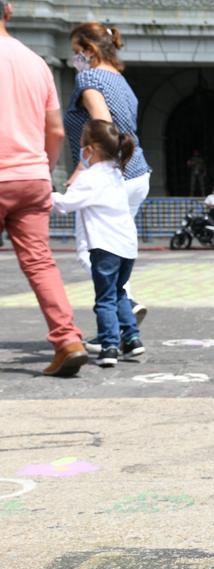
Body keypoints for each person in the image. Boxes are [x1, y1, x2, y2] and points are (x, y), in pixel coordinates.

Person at [0, 1, 87, 376]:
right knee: (40, 263)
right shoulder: (36, 62)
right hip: (32, 176)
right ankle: (68, 340)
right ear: (8, 12)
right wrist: (43, 169)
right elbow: (55, 130)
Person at [65, 21, 150, 353]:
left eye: (76, 52)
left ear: (90, 50)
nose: (75, 59)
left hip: (110, 176)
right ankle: (123, 327)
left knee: (94, 254)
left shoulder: (89, 78)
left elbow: (102, 125)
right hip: (135, 173)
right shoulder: (121, 80)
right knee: (115, 250)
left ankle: (123, 309)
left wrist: (80, 171)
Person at [52, 120, 143, 367]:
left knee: (104, 298)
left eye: (82, 145)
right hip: (127, 246)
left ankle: (110, 345)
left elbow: (65, 205)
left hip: (105, 246)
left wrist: (44, 194)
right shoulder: (115, 174)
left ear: (90, 150)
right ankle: (133, 338)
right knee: (119, 292)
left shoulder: (90, 177)